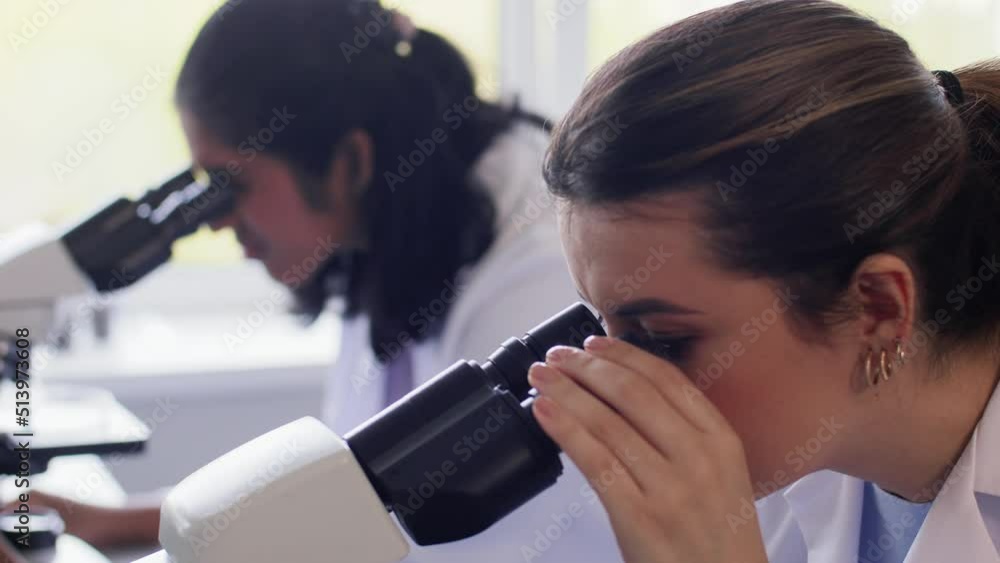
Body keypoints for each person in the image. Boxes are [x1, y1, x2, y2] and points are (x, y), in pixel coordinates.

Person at [10, 0, 625, 560]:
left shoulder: (535, 282)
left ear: (349, 161)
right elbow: (356, 484)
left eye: (231, 185)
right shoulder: (397, 229)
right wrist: (117, 523)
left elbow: (432, 544)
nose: (215, 221)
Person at [528, 0, 1000, 561]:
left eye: (663, 340)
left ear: (878, 309)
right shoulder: (790, 457)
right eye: (599, 327)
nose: (618, 385)